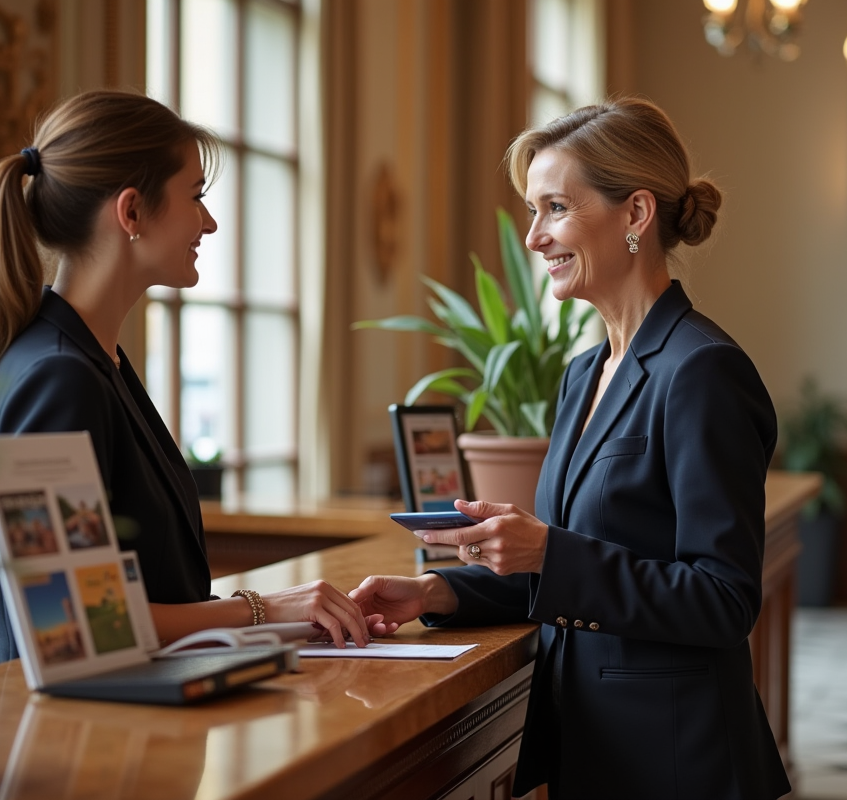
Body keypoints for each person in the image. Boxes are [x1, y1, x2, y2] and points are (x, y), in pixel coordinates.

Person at [353, 98, 790, 799]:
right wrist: (439, 591)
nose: (534, 237)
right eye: (534, 211)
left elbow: (722, 598)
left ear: (636, 214)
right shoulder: (583, 374)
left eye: (554, 208)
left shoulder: (702, 370)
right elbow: (571, 562)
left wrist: (548, 552)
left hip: (678, 761)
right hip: (595, 749)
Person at [0, 90, 373, 667]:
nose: (209, 222)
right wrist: (260, 610)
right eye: (196, 197)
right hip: (77, 720)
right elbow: (72, 618)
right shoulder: (59, 377)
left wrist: (269, 618)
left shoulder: (90, 359)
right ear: (132, 212)